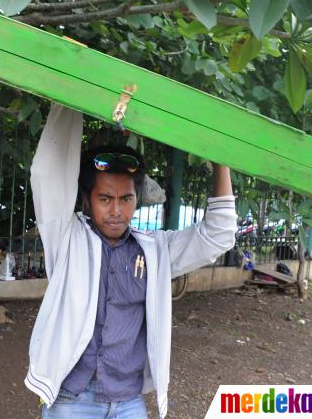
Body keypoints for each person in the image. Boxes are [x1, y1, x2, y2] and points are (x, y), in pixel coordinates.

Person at [24, 104, 237, 419]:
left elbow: (218, 235)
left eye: (126, 199)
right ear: (86, 200)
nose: (116, 211)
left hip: (128, 403)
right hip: (71, 400)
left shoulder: (155, 250)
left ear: (137, 201)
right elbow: (46, 175)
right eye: (105, 199)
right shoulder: (68, 238)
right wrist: (67, 100)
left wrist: (222, 162)